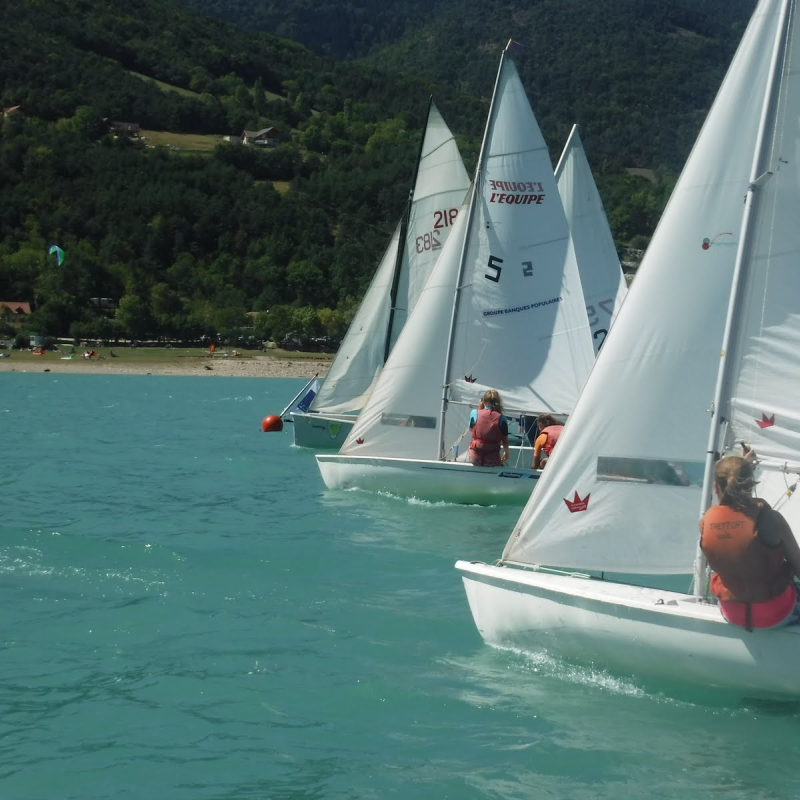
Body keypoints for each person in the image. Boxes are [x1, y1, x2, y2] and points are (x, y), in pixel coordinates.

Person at [699, 452, 800, 631]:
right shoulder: (771, 519)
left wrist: (740, 465)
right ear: (752, 484)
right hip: (776, 614)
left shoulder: (706, 523)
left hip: (731, 614)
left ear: (716, 487)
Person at [468, 389, 510, 467]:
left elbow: (471, 429)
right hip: (492, 458)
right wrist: (506, 452)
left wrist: (480, 409)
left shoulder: (474, 412)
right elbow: (505, 439)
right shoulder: (502, 418)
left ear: (483, 401)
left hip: (475, 456)